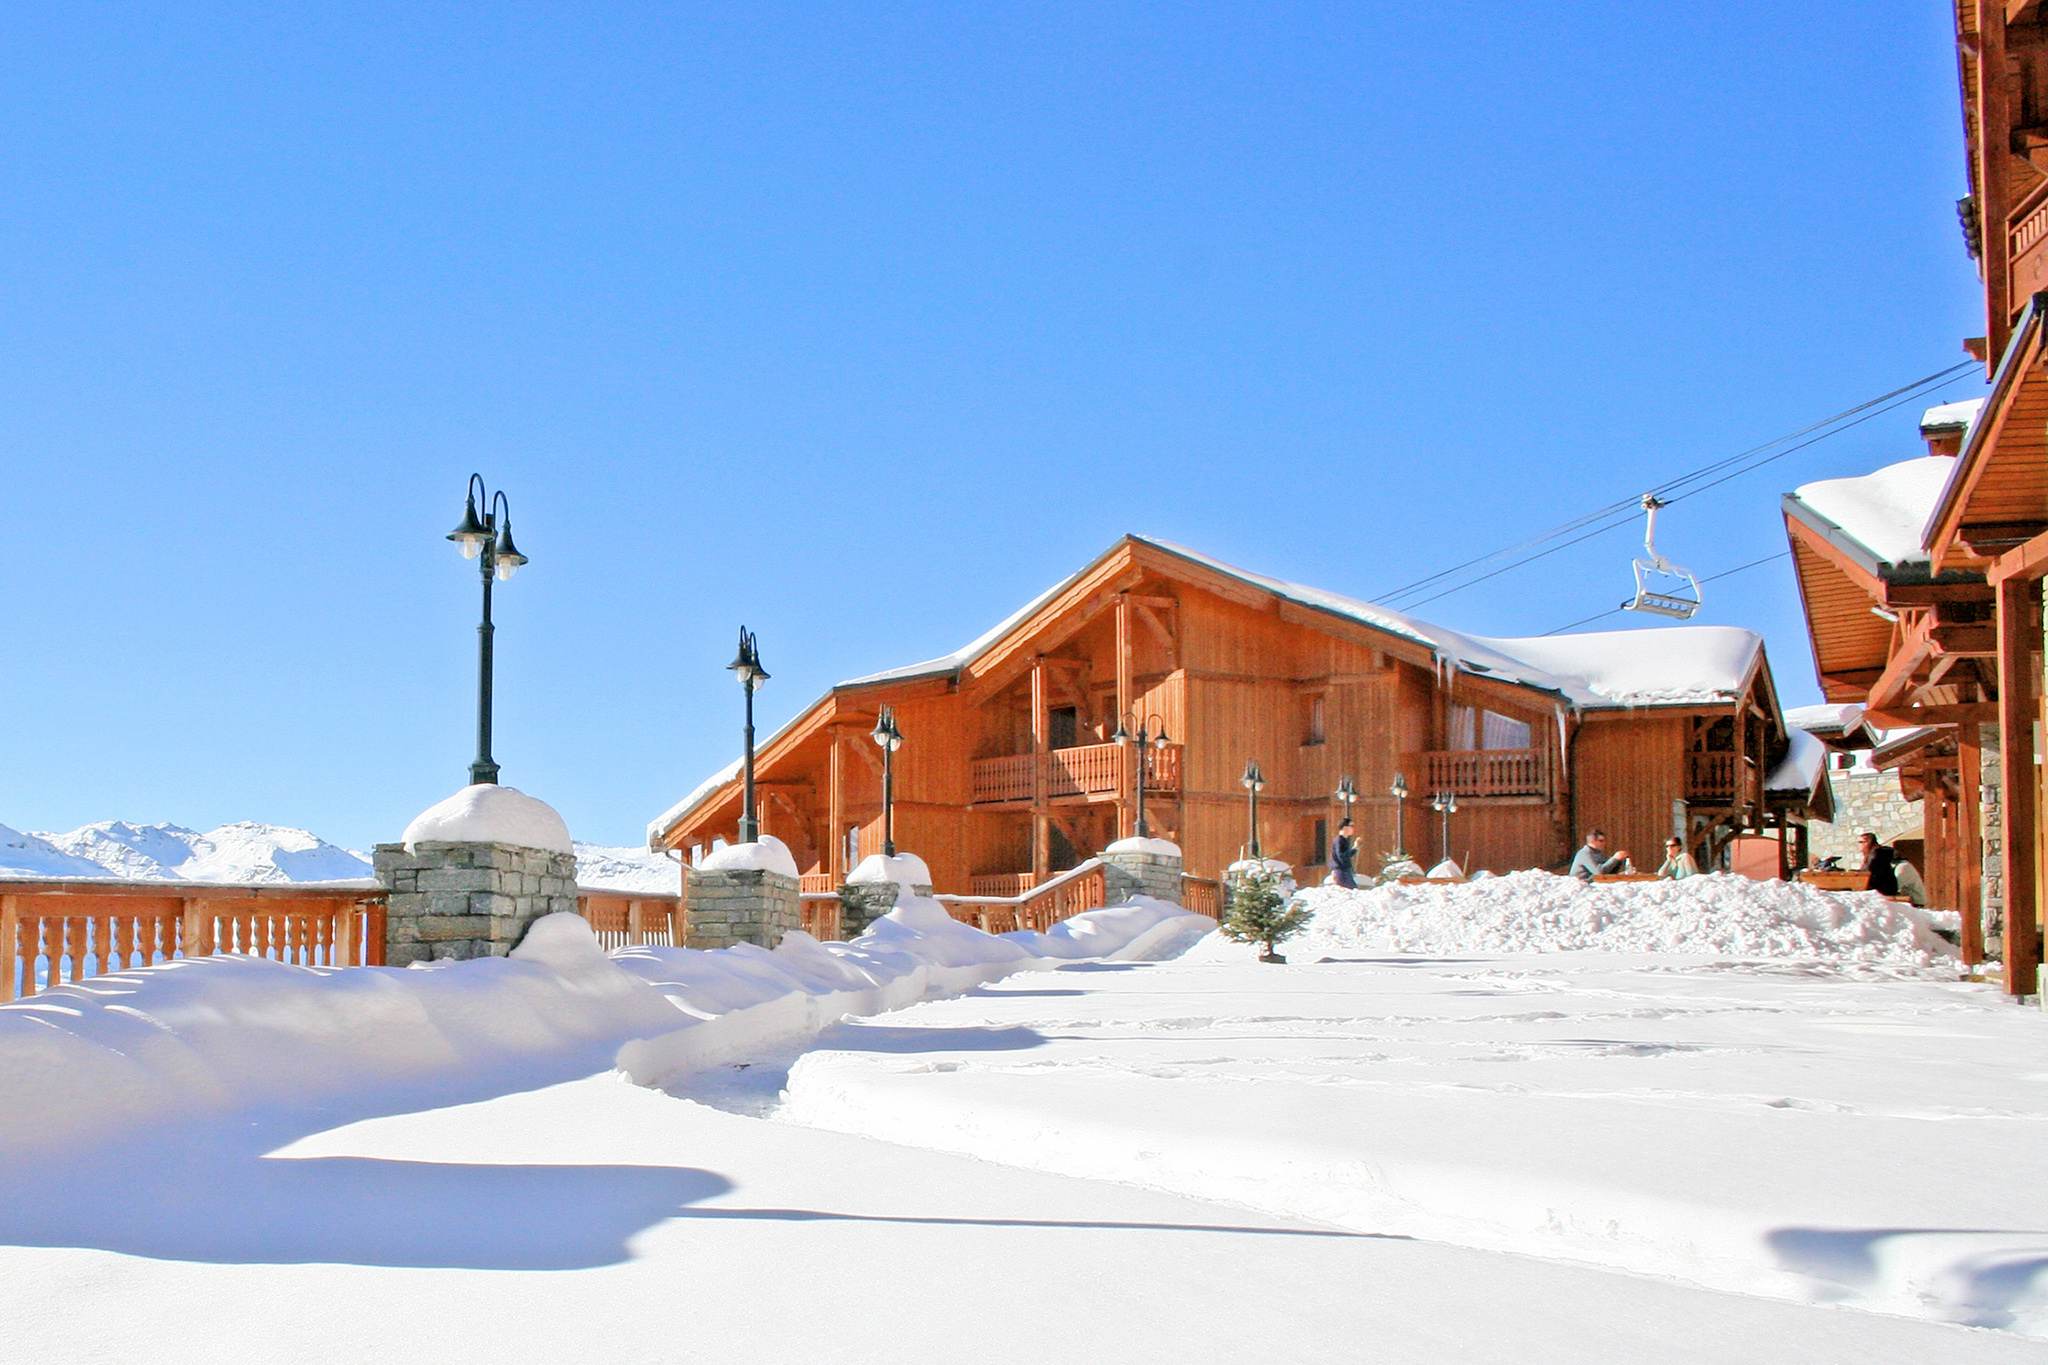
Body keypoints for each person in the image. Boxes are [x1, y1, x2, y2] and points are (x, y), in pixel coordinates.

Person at [1857, 830, 1899, 897]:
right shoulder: (1874, 854)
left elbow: (1869, 873)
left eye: (1861, 842)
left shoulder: (1875, 855)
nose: (1859, 845)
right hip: (1883, 890)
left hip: (1881, 891)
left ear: (1868, 842)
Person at [1331, 818, 1359, 889]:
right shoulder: (1340, 840)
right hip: (1342, 871)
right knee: (1350, 891)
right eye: (1351, 826)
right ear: (1345, 828)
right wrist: (1354, 848)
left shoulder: (1344, 840)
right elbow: (1341, 856)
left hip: (1344, 870)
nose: (1353, 828)